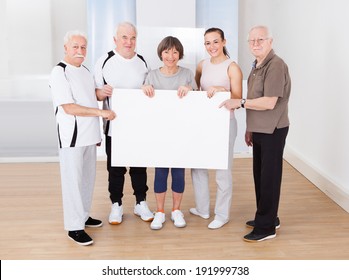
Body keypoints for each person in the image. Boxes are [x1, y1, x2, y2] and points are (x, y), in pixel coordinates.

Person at [220, 25, 291, 242]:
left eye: (261, 39)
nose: (256, 44)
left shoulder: (276, 65)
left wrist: (239, 102)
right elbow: (255, 97)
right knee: (260, 177)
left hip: (273, 130)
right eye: (252, 41)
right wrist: (250, 128)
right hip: (259, 129)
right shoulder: (257, 65)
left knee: (269, 178)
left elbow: (269, 103)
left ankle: (266, 227)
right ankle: (268, 217)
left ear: (271, 41)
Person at [49, 30, 116, 246]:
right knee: (73, 182)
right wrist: (102, 113)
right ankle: (74, 227)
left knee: (87, 180)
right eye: (75, 47)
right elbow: (69, 107)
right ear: (66, 48)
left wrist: (102, 93)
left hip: (89, 136)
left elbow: (90, 96)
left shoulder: (85, 70)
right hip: (72, 138)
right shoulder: (59, 72)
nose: (80, 51)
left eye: (83, 47)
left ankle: (84, 215)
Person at [94, 22, 154, 225]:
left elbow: (150, 90)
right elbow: (95, 93)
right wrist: (102, 92)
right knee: (115, 168)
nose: (129, 42)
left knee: (139, 167)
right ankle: (116, 205)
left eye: (133, 37)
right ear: (115, 40)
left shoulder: (143, 62)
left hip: (139, 127)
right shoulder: (104, 61)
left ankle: (140, 203)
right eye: (124, 37)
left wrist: (148, 88)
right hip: (115, 127)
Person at [142, 36, 198, 230]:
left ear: (179, 54)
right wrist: (145, 87)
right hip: (159, 133)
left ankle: (176, 210)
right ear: (161, 53)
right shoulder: (151, 75)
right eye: (166, 51)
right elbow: (143, 102)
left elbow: (198, 101)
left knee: (178, 173)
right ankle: (159, 212)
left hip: (181, 133)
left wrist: (190, 88)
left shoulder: (187, 74)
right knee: (160, 172)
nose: (170, 56)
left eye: (175, 52)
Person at [190, 27, 242, 229]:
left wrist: (222, 90)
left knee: (222, 169)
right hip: (203, 123)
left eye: (215, 42)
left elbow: (237, 99)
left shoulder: (232, 67)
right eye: (207, 43)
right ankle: (202, 208)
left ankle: (222, 214)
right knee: (198, 166)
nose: (211, 46)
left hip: (224, 123)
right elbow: (197, 91)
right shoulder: (202, 65)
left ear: (224, 42)